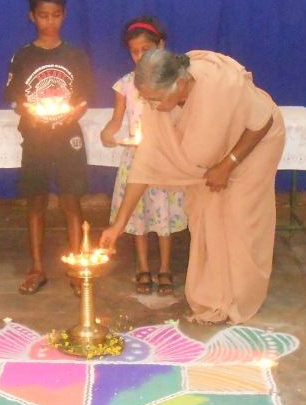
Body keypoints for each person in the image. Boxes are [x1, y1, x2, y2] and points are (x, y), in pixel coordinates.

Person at [100, 48, 285, 325]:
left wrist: (228, 164)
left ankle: (240, 298)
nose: (152, 107)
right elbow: (145, 165)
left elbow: (263, 121)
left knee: (239, 219)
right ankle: (215, 298)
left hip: (254, 147)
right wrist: (118, 225)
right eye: (147, 100)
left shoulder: (221, 83)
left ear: (180, 83)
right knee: (208, 217)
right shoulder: (159, 102)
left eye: (156, 99)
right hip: (210, 164)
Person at [5, 0, 94, 295]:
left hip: (67, 137)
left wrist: (77, 111)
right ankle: (37, 268)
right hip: (36, 138)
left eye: (56, 15)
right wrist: (28, 110)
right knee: (36, 201)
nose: (50, 21)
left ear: (64, 15)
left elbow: (84, 97)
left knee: (71, 200)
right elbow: (15, 98)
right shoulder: (23, 56)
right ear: (32, 16)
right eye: (43, 15)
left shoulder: (75, 55)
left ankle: (79, 267)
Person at [100, 16, 186, 296]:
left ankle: (165, 267)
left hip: (163, 158)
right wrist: (108, 133)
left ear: (161, 46)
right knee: (137, 215)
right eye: (134, 52)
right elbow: (116, 121)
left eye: (145, 50)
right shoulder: (125, 84)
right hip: (135, 159)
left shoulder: (172, 83)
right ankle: (143, 266)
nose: (139, 57)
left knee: (163, 215)